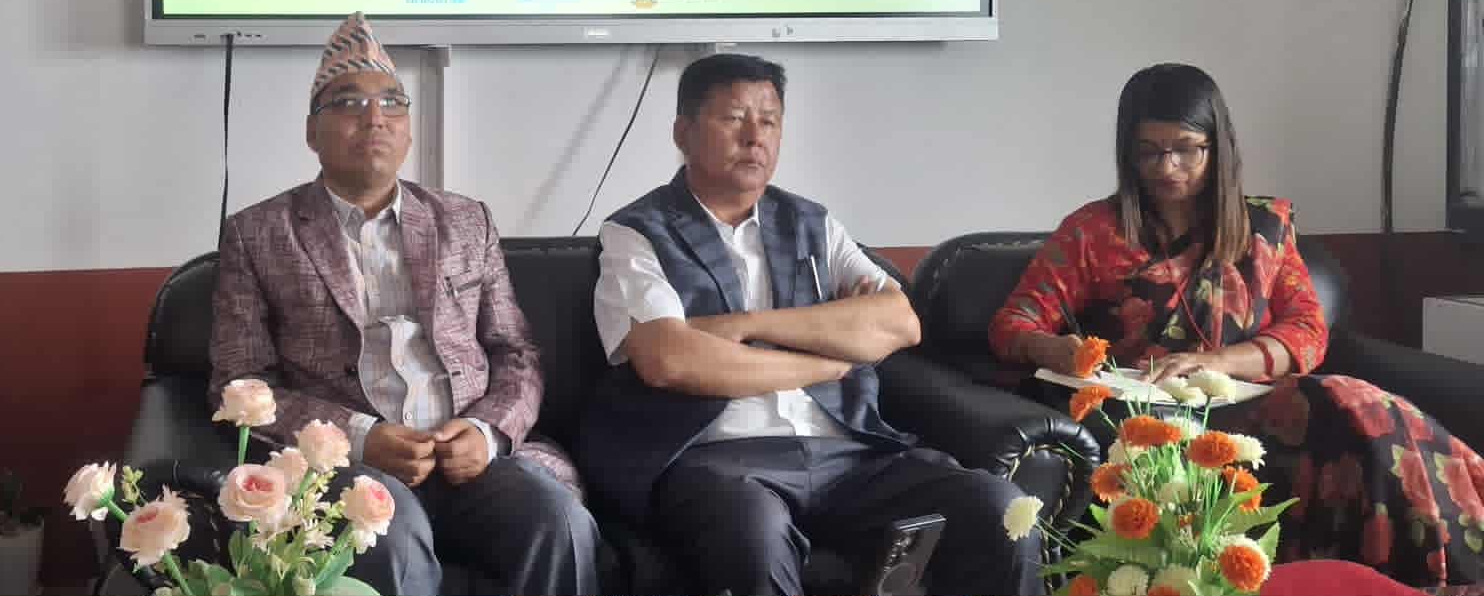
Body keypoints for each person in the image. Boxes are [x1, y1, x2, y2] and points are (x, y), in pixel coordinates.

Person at [991, 63, 1484, 587]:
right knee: (1350, 409)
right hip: (1159, 419)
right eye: (1148, 151)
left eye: (1186, 149)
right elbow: (1012, 323)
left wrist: (1217, 362)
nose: (1167, 167)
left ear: (1218, 147)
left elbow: (1308, 332)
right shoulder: (1092, 233)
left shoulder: (1265, 227)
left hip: (1259, 403)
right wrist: (1055, 350)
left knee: (1358, 407)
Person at [580, 52, 1042, 596]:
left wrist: (744, 325)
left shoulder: (813, 224)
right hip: (717, 459)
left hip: (850, 453)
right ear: (683, 132)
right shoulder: (636, 232)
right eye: (734, 118)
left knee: (999, 510)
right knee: (753, 531)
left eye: (769, 121)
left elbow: (900, 324)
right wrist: (829, 361)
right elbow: (670, 360)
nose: (755, 137)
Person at [209, 13, 601, 596]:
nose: (375, 118)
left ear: (409, 131)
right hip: (352, 467)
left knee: (558, 523)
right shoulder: (259, 234)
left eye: (392, 102)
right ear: (312, 133)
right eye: (349, 102)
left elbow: (515, 352)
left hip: (471, 456)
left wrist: (486, 431)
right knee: (390, 540)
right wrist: (359, 437)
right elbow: (238, 385)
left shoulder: (466, 221)